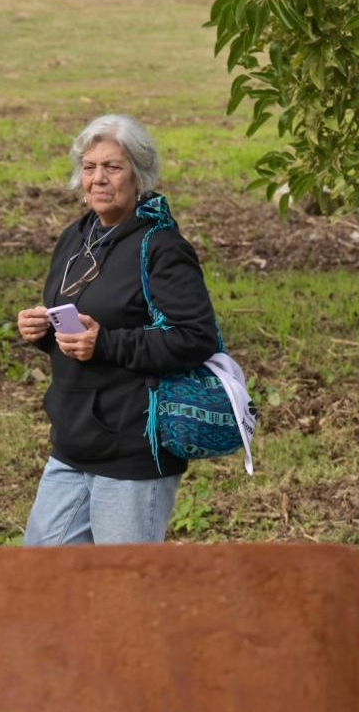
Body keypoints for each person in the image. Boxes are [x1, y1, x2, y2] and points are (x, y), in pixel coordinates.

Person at [16, 114, 220, 545]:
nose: (98, 179)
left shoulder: (162, 247)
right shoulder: (77, 236)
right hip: (74, 443)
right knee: (43, 571)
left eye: (113, 167)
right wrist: (43, 331)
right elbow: (77, 322)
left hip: (132, 450)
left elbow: (195, 338)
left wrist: (105, 342)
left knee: (129, 590)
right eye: (90, 168)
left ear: (139, 176)